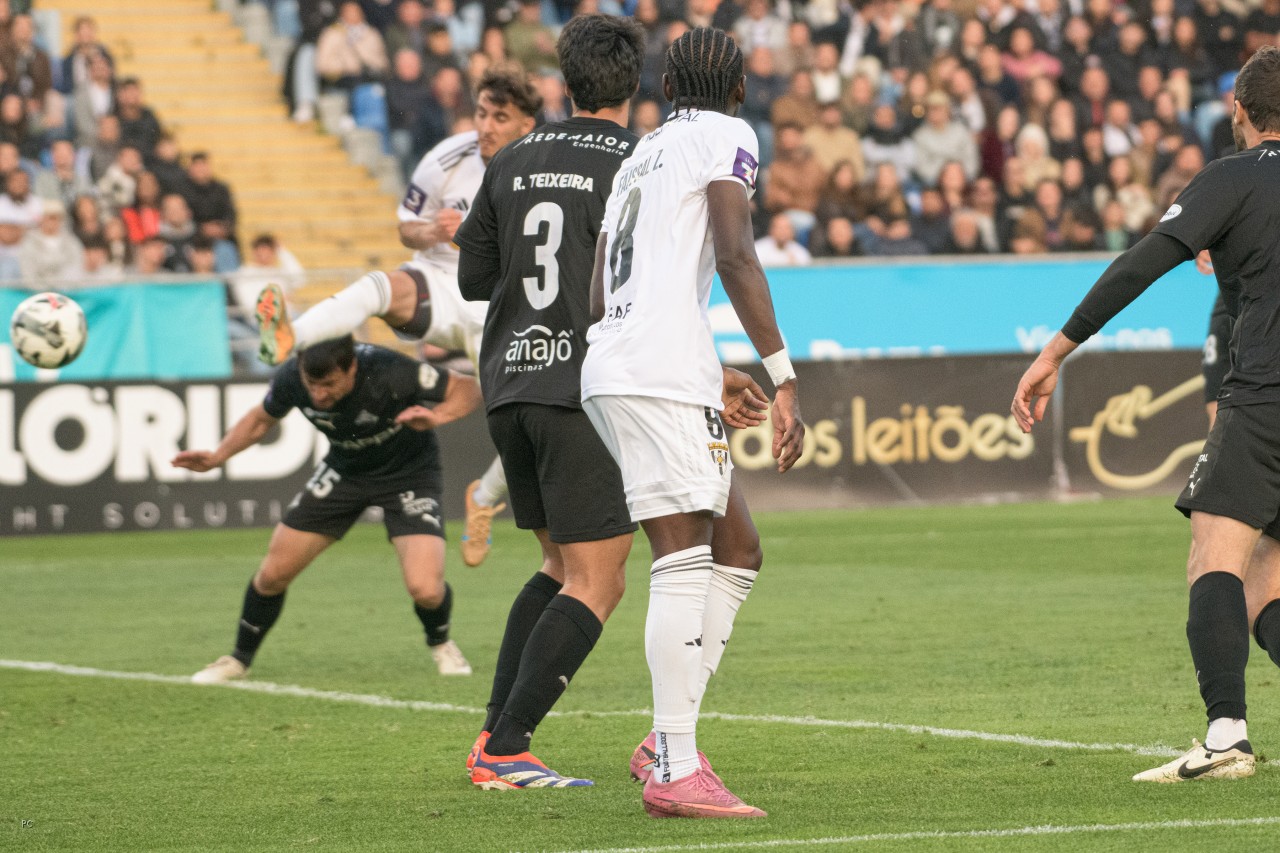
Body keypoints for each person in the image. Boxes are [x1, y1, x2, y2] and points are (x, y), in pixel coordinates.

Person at [1011, 45, 1280, 784]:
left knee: (1214, 555)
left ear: (1239, 110)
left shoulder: (1232, 177)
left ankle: (1226, 737)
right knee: (1266, 579)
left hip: (1266, 395)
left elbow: (1139, 265)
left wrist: (1055, 352)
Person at [580, 26, 804, 818]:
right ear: (739, 89)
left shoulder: (640, 154)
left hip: (618, 363)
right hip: (654, 371)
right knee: (682, 553)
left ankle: (664, 741)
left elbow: (603, 292)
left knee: (737, 547)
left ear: (667, 88)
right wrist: (783, 374)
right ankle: (675, 766)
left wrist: (707, 372)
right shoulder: (727, 134)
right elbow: (736, 253)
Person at [451, 14, 645, 791]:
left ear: (565, 84)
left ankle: (492, 737)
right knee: (601, 577)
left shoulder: (513, 156)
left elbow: (473, 278)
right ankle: (508, 746)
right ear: (635, 83)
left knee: (561, 564)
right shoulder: (636, 159)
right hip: (581, 388)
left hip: (511, 384)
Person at [253, 67, 541, 568]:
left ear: (525, 125)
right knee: (379, 286)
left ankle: (482, 497)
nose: (485, 126)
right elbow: (406, 228)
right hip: (440, 282)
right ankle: (289, 335)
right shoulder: (446, 158)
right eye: (480, 113)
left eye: (500, 117)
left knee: (527, 424)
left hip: (503, 307)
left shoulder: (541, 168)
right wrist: (433, 231)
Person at [174, 336, 483, 683]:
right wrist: (218, 456)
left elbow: (468, 388)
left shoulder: (391, 370)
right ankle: (237, 660)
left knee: (426, 590)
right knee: (272, 575)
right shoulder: (292, 376)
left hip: (409, 474)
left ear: (352, 368)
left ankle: (441, 643)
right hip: (344, 473)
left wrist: (437, 416)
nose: (319, 395)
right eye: (313, 384)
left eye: (330, 384)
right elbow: (261, 420)